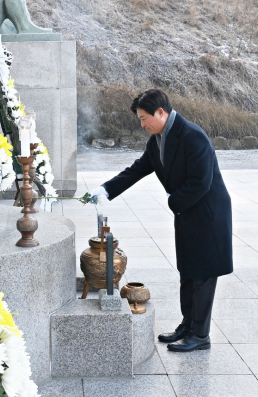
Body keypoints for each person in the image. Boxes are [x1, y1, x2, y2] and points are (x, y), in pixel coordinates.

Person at [87, 89, 233, 352]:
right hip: (188, 212)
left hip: (208, 214)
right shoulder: (158, 139)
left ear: (161, 113)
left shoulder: (192, 135)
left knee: (202, 275)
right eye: (140, 119)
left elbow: (201, 182)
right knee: (187, 271)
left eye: (144, 118)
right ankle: (187, 325)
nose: (142, 124)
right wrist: (106, 189)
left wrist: (172, 200)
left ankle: (200, 335)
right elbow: (138, 169)